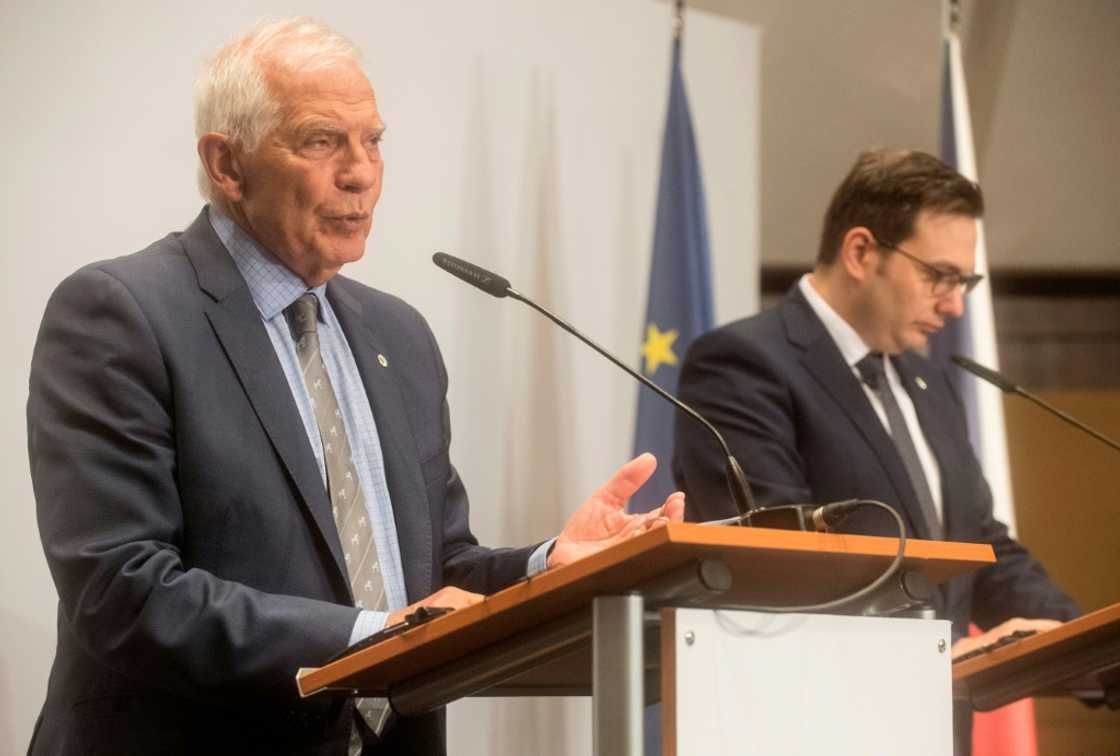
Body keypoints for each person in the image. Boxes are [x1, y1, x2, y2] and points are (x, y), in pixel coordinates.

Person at [27, 18, 683, 756]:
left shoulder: (397, 337)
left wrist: (547, 565)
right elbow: (122, 589)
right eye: (320, 141)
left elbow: (436, 573)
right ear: (227, 165)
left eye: (372, 140)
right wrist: (373, 638)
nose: (361, 172)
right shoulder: (124, 314)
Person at [672, 148, 1078, 754]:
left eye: (965, 282)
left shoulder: (931, 385)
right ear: (861, 252)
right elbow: (777, 559)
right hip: (806, 728)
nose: (955, 304)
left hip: (936, 731)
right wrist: (923, 656)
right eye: (939, 276)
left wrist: (1078, 640)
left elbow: (981, 547)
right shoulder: (743, 364)